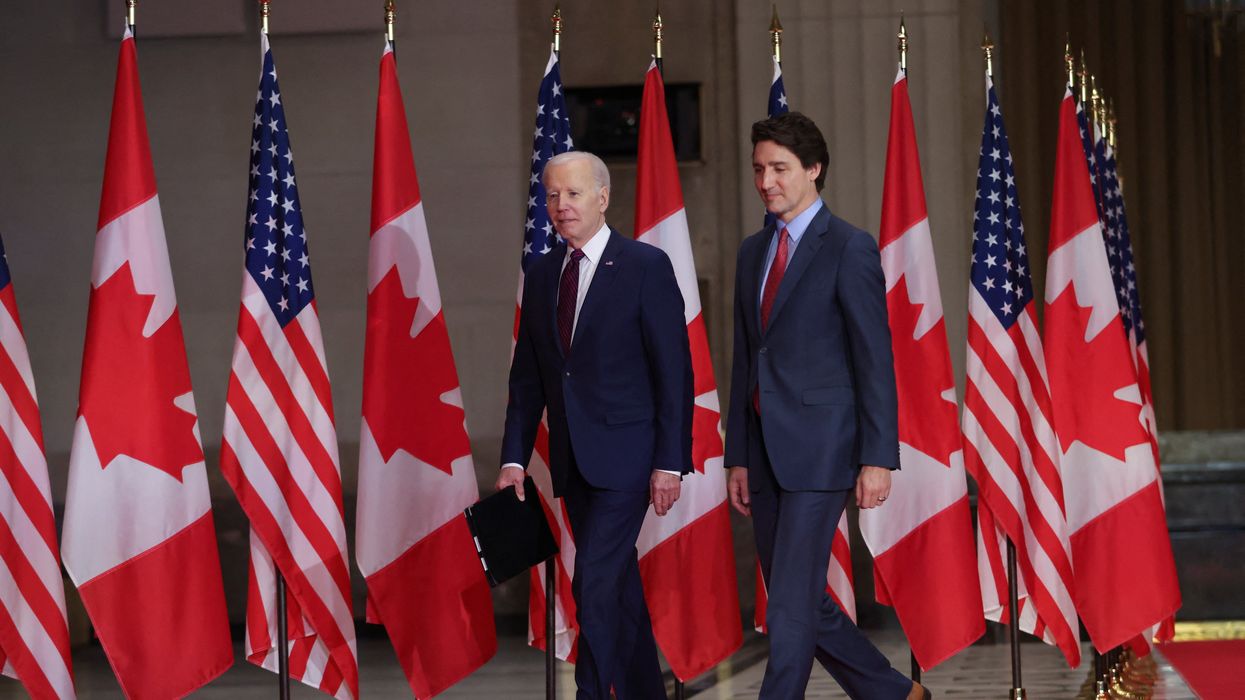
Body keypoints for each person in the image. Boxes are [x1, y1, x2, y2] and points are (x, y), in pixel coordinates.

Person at [724, 112, 931, 700]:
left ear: (814, 170)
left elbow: (874, 360)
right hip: (762, 454)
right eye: (759, 168)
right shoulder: (750, 252)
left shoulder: (849, 247)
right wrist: (737, 454)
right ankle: (894, 694)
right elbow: (747, 359)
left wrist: (877, 456)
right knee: (801, 597)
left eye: (780, 169)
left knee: (788, 601)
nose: (766, 181)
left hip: (822, 450)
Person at [498, 151, 693, 700]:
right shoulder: (540, 274)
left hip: (632, 459)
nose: (561, 206)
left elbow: (674, 371)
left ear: (603, 198)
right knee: (618, 588)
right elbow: (528, 379)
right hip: (572, 462)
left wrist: (670, 461)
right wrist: (513, 458)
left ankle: (589, 694)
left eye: (574, 194)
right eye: (553, 195)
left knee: (595, 580)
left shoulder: (644, 266)